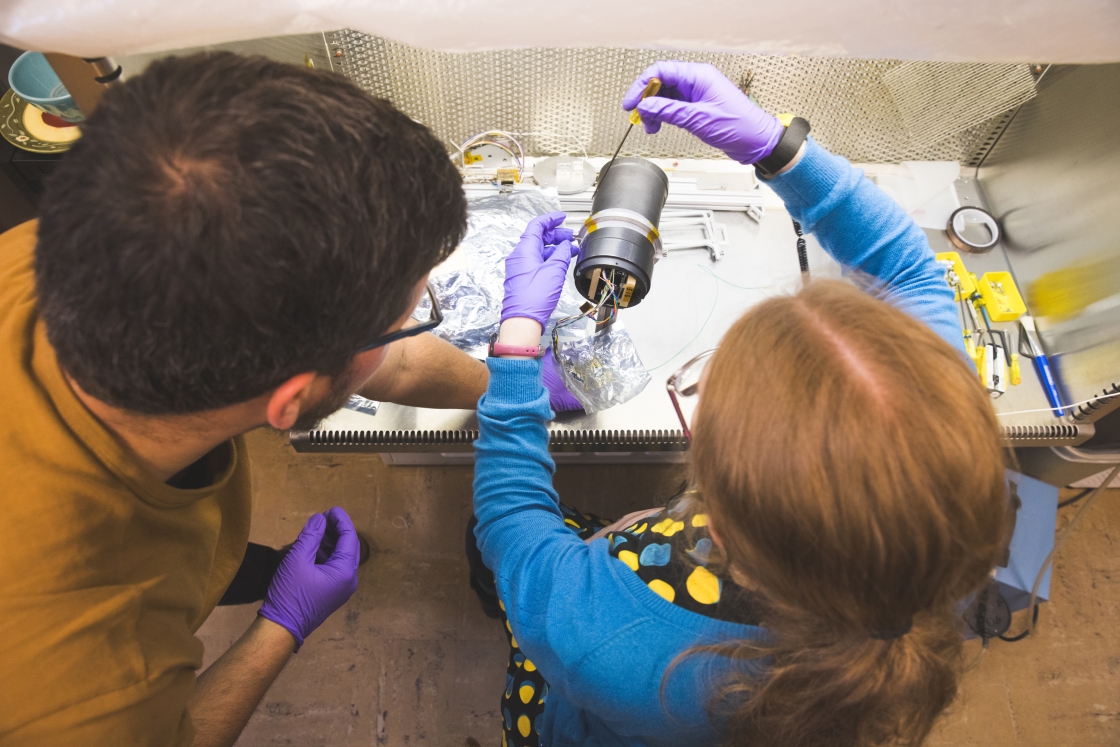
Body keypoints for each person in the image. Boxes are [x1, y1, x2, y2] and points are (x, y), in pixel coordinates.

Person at [0, 51, 570, 746]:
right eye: (411, 313)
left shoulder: (67, 244)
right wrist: (280, 626)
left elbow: (373, 362)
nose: (411, 328)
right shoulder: (90, 680)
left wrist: (509, 384)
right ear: (290, 401)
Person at [469, 61, 1013, 747]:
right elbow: (905, 267)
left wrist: (516, 347)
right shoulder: (933, 480)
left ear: (720, 530)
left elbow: (512, 523)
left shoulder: (605, 636)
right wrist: (778, 148)